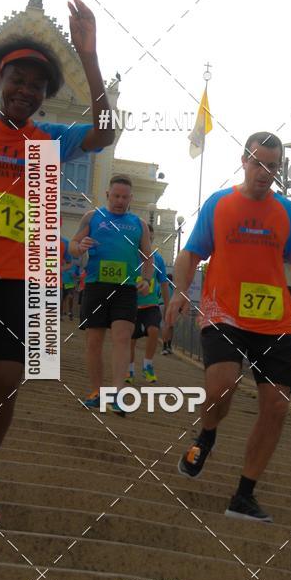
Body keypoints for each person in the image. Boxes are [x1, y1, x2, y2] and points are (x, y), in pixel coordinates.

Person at [0, 0, 115, 557]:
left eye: (37, 86)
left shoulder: (48, 142)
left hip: (25, 278)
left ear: (46, 97)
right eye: (16, 79)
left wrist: (89, 58)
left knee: (5, 384)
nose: (25, 90)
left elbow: (107, 129)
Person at [164, 132, 291, 523]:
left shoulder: (287, 213)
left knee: (276, 407)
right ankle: (207, 434)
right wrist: (179, 291)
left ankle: (244, 495)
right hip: (224, 315)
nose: (264, 172)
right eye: (258, 163)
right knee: (221, 388)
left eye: (272, 166)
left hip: (276, 323)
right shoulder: (220, 205)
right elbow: (190, 254)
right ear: (243, 160)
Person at [70, 175, 152, 415]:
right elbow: (73, 245)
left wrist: (146, 280)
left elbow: (147, 256)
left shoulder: (139, 224)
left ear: (131, 198)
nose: (120, 201)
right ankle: (96, 392)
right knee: (94, 341)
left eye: (125, 197)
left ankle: (116, 394)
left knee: (122, 338)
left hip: (126, 289)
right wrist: (80, 245)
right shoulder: (92, 217)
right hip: (96, 285)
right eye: (116, 196)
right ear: (108, 195)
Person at [126, 225, 170, 384]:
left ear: (152, 238)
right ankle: (129, 370)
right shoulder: (130, 256)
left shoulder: (157, 259)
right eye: (145, 237)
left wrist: (168, 306)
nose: (148, 240)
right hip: (132, 305)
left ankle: (148, 365)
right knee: (131, 339)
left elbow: (164, 284)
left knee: (153, 330)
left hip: (151, 305)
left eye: (150, 238)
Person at [161, 273, 175, 354]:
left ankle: (166, 346)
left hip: (160, 305)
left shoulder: (161, 285)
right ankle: (167, 346)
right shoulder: (171, 286)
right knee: (169, 326)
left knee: (166, 325)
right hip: (168, 305)